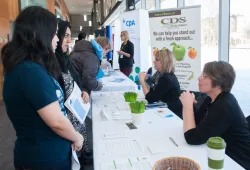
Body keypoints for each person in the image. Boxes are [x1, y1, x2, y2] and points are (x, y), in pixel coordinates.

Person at [1, 6, 83, 170]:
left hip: (45, 154)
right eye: (54, 34)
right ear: (40, 34)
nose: (57, 40)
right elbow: (56, 121)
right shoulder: (30, 72)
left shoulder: (29, 67)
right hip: (44, 159)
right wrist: (77, 137)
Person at [180, 61, 250, 169]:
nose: (199, 78)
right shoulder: (210, 99)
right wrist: (190, 106)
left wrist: (187, 107)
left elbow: (191, 138)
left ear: (218, 83)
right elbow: (197, 125)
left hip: (238, 161)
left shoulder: (224, 105)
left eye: (205, 76)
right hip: (220, 155)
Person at [55, 19, 92, 168]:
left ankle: (84, 157)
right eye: (65, 36)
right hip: (66, 119)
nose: (69, 40)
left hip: (76, 113)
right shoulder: (51, 62)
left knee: (81, 148)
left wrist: (84, 90)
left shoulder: (66, 59)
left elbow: (77, 79)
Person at [139, 49, 182, 118]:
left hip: (173, 113)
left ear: (164, 62)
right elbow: (152, 93)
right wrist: (144, 81)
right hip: (166, 109)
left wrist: (141, 81)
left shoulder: (166, 79)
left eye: (156, 59)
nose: (154, 61)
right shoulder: (162, 75)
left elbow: (150, 99)